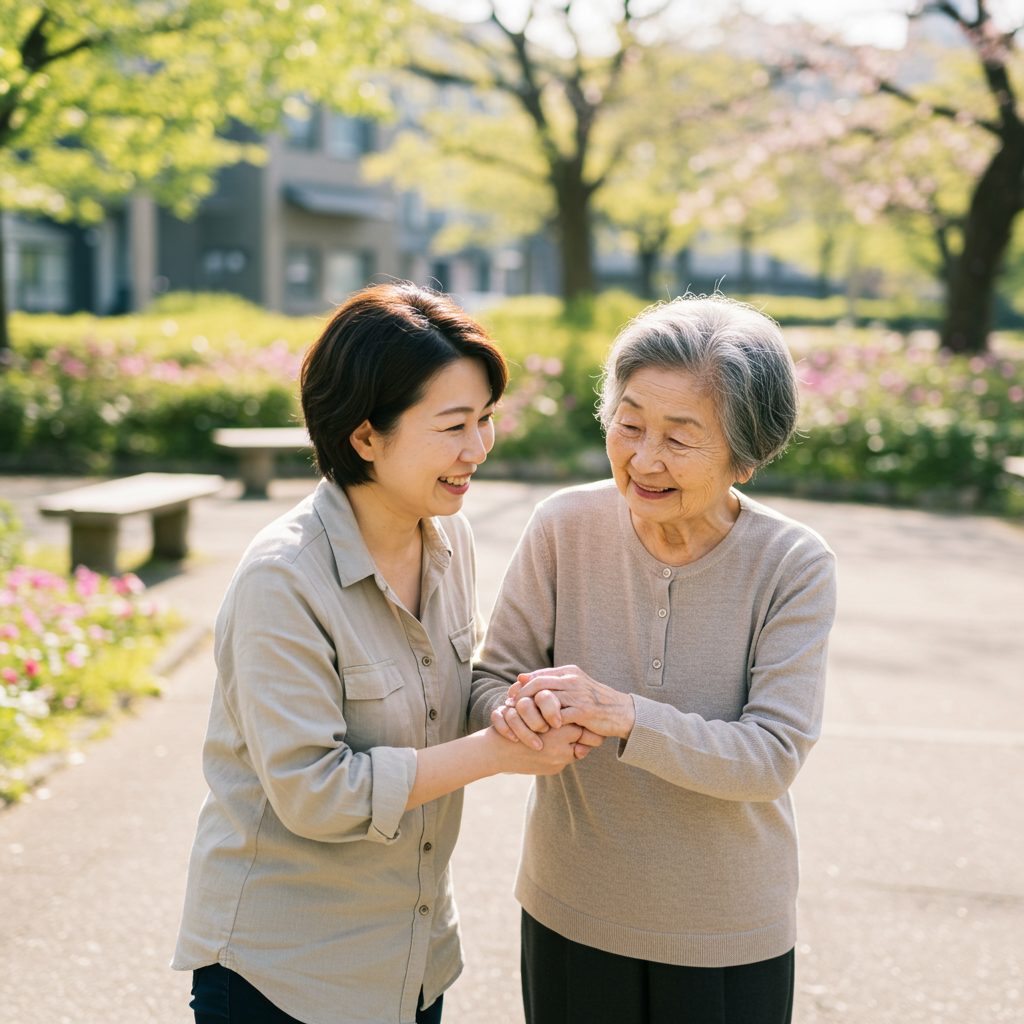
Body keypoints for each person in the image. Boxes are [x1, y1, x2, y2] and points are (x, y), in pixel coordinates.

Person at [172, 281, 590, 1024]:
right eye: (454, 425)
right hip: (283, 977)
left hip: (412, 959)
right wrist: (498, 752)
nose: (479, 448)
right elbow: (315, 792)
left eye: (486, 420)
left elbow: (444, 698)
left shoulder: (446, 537)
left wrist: (517, 709)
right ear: (365, 436)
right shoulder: (283, 580)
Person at [469, 293, 838, 1024]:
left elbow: (772, 755)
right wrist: (524, 715)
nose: (643, 459)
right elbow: (488, 681)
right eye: (630, 424)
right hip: (571, 908)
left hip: (726, 930)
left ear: (746, 451)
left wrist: (625, 716)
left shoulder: (792, 563)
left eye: (679, 437)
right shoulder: (563, 526)